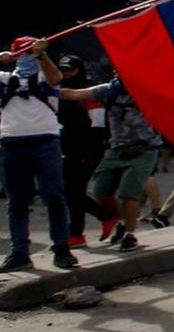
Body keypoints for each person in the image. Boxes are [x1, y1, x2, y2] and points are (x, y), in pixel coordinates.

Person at [0, 38, 76, 273]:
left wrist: (41, 56)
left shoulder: (45, 76)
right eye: (24, 53)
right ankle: (19, 252)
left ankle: (61, 248)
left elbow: (55, 78)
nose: (27, 57)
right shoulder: (5, 79)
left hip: (45, 141)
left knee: (53, 196)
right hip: (12, 143)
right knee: (16, 201)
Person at [64, 77, 162, 253]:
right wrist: (47, 89)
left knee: (128, 193)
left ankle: (129, 234)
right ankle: (123, 219)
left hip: (143, 149)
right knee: (101, 190)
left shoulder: (148, 88)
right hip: (116, 149)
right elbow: (73, 94)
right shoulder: (109, 90)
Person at [54, 55, 112, 247]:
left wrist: (90, 152)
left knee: (74, 191)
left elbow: (98, 122)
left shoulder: (89, 90)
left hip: (87, 149)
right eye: (63, 69)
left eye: (70, 69)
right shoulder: (58, 90)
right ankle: (100, 220)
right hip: (67, 147)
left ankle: (78, 232)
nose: (66, 73)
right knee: (70, 191)